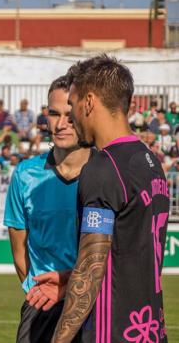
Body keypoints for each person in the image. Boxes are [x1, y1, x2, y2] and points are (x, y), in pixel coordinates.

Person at [52, 55, 169, 342]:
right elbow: (127, 250)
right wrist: (69, 277)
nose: (71, 117)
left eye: (73, 105)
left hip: (112, 332)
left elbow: (91, 269)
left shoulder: (104, 167)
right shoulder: (150, 162)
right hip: (150, 330)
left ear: (88, 102)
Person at [4, 75, 91, 343]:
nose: (61, 123)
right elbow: (20, 253)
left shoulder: (106, 172)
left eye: (70, 113)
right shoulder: (25, 175)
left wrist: (73, 287)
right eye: (54, 114)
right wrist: (36, 291)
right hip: (41, 306)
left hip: (92, 305)